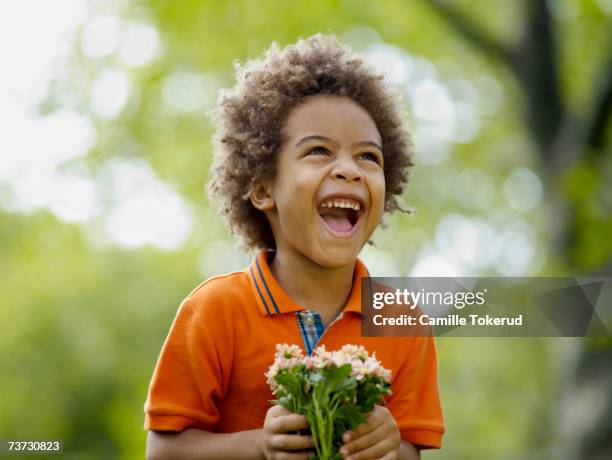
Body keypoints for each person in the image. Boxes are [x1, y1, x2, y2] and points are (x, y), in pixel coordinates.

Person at [144, 34, 445, 460]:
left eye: (368, 157)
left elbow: (413, 449)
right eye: (319, 151)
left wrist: (391, 447)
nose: (349, 171)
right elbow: (162, 453)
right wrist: (259, 445)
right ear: (264, 189)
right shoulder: (214, 310)